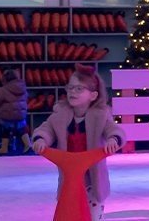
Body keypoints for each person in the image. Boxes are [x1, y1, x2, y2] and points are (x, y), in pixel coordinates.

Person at [30, 64, 124, 218]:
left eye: (79, 89)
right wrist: (41, 139)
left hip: (92, 181)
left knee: (92, 215)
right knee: (70, 212)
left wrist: (113, 139)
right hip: (70, 179)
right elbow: (46, 129)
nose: (73, 92)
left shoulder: (101, 115)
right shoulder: (60, 114)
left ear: (93, 96)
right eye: (70, 87)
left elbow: (113, 130)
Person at [0, 69, 29, 155]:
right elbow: (26, 98)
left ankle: (4, 148)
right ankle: (28, 144)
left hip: (8, 115)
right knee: (22, 129)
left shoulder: (4, 89)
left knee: (6, 130)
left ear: (4, 79)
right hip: (21, 115)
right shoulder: (23, 87)